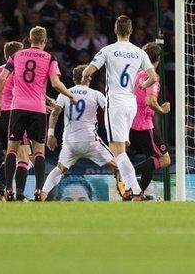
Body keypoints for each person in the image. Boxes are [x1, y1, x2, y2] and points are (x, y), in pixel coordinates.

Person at [0, 26, 76, 201]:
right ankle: (38, 190)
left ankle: (8, 189)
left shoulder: (16, 56)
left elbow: (2, 78)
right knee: (38, 151)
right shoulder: (49, 58)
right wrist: (70, 95)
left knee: (12, 149)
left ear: (30, 40)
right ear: (45, 41)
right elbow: (55, 83)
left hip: (17, 108)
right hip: (37, 109)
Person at [80, 15, 159, 201]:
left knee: (117, 151)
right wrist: (143, 85)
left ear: (115, 31)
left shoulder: (108, 50)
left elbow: (87, 71)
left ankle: (136, 190)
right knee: (121, 148)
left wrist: (84, 84)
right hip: (130, 104)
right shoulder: (140, 52)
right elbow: (153, 77)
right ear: (131, 31)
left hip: (115, 103)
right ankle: (132, 190)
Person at [42, 65, 123, 200]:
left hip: (70, 142)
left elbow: (55, 112)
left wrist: (50, 134)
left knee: (59, 169)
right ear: (88, 78)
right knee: (118, 166)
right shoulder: (96, 94)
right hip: (90, 141)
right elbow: (110, 113)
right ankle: (125, 192)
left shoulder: (65, 93)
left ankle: (42, 195)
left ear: (74, 79)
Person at [0, 41, 34, 201]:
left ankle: (0, 191)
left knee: (9, 157)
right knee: (23, 158)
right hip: (14, 115)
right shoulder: (18, 70)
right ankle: (19, 194)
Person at [127, 43, 171, 199]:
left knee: (151, 160)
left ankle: (137, 195)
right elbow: (151, 101)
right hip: (144, 126)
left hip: (131, 124)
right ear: (158, 59)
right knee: (164, 160)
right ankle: (126, 174)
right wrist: (162, 110)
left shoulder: (137, 73)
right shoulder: (152, 77)